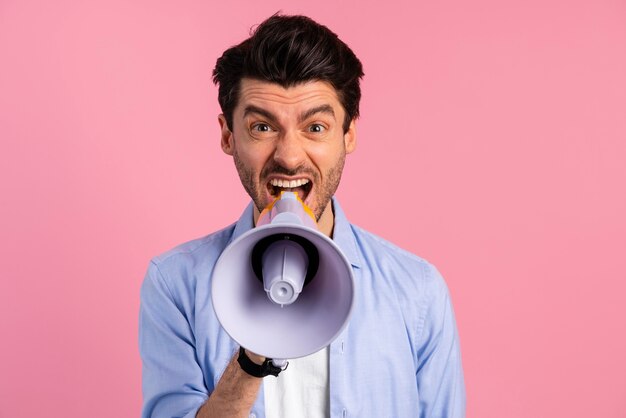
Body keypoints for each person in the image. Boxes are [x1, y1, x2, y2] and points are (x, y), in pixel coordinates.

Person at [139, 13, 465, 418]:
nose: (289, 157)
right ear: (228, 135)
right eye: (262, 127)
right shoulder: (175, 285)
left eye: (315, 127)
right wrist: (253, 355)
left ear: (348, 134)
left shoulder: (417, 293)